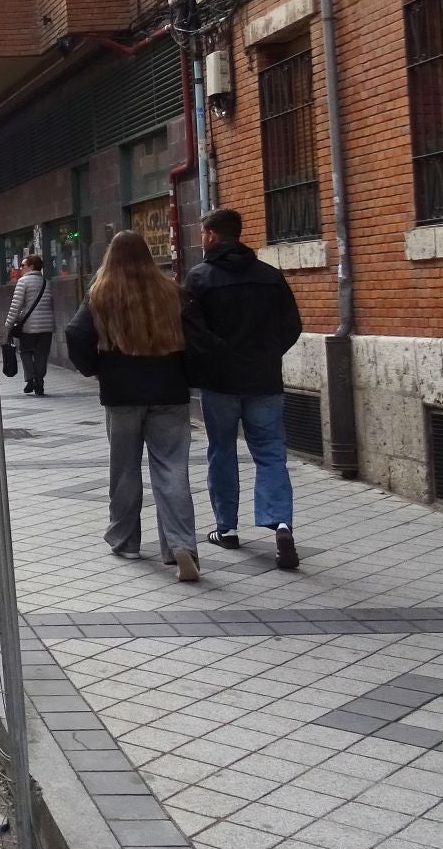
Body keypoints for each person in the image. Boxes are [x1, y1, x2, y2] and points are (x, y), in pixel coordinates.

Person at [65, 230, 200, 581]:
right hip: (169, 391)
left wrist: (95, 369)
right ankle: (180, 545)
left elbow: (76, 334)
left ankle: (125, 540)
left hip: (121, 393)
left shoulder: (100, 294)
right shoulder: (171, 291)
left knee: (124, 469)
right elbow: (196, 338)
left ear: (111, 257)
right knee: (172, 469)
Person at [183, 207, 304, 570]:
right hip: (264, 379)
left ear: (212, 236)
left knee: (222, 450)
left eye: (203, 233)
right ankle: (280, 522)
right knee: (270, 452)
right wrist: (266, 354)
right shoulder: (269, 276)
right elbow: (292, 325)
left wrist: (215, 358)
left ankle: (227, 527)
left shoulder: (199, 278)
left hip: (220, 383)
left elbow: (191, 331)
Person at [4, 253, 57, 395]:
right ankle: (39, 381)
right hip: (47, 326)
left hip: (29, 326)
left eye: (23, 265)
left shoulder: (23, 282)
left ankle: (31, 379)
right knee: (42, 354)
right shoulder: (46, 282)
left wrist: (8, 324)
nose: (20, 268)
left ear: (31, 267)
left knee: (25, 352)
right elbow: (51, 305)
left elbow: (16, 306)